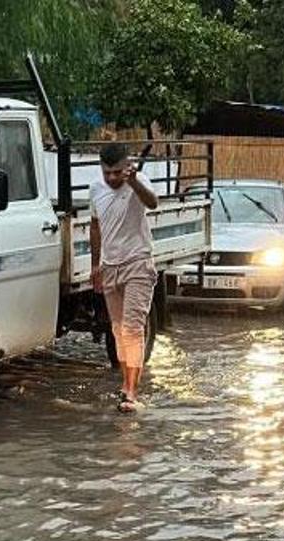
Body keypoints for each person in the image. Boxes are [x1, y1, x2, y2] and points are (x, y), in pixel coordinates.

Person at [90, 143, 159, 414]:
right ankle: (125, 384)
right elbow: (95, 226)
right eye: (107, 172)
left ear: (127, 166)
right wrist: (96, 265)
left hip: (138, 263)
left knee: (132, 328)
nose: (111, 178)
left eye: (117, 172)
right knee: (118, 329)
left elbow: (152, 203)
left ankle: (132, 392)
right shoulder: (96, 188)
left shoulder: (139, 182)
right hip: (110, 266)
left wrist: (133, 182)